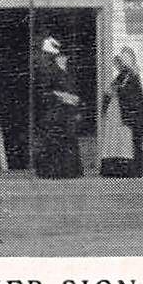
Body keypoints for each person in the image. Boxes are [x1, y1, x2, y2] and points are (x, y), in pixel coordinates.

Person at [33, 36, 84, 179]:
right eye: (59, 56)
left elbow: (72, 90)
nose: (62, 59)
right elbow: (44, 91)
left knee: (66, 140)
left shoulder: (66, 73)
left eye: (64, 57)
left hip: (65, 111)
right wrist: (63, 96)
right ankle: (53, 171)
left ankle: (66, 171)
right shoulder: (49, 70)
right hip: (53, 111)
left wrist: (74, 100)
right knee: (54, 140)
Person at [101, 47, 143, 177]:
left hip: (131, 116)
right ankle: (117, 169)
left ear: (132, 59)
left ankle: (132, 170)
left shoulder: (133, 75)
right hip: (120, 115)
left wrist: (118, 92)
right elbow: (110, 90)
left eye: (127, 58)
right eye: (123, 58)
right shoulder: (122, 76)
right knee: (118, 142)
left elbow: (135, 96)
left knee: (130, 143)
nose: (124, 61)